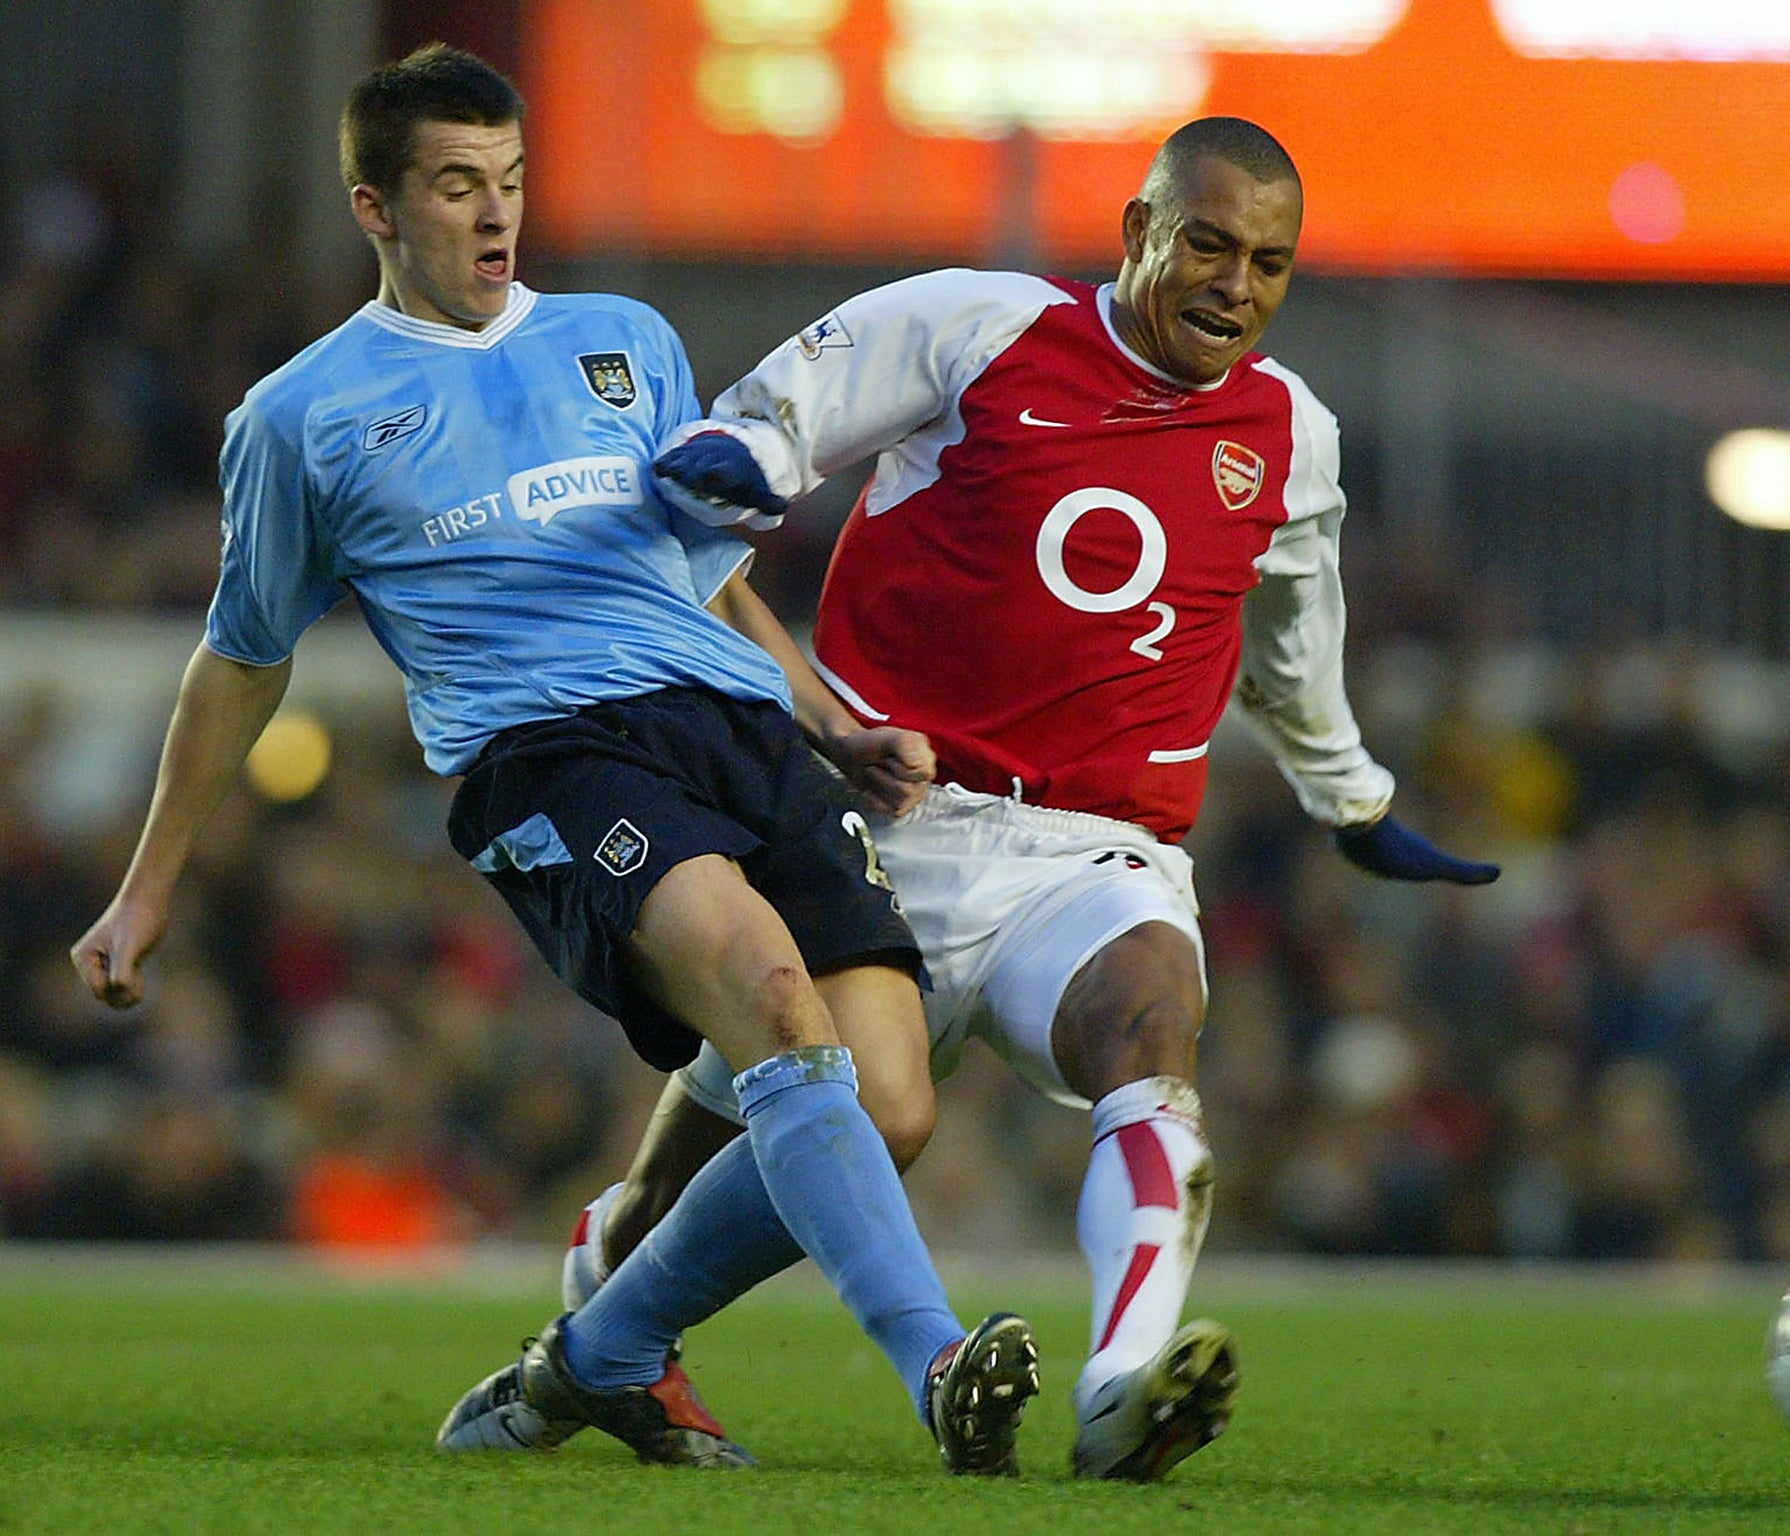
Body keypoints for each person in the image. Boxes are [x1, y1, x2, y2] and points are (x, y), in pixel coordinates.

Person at [449, 113, 1496, 1480]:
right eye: (1212, 246)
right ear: (1139, 233)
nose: (1238, 288)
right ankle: (606, 1314)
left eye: (1273, 265)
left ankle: (1122, 1384)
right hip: (884, 821)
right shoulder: (979, 326)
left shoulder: (1291, 434)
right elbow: (776, 422)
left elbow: (1291, 642)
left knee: (1152, 1026)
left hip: (1099, 851)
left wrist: (1350, 797)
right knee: (687, 1194)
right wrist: (748, 463)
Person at [67, 42, 1039, 1476]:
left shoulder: (626, 339)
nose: (495, 214)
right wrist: (147, 888)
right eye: (457, 185)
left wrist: (828, 718)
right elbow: (242, 656)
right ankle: (939, 1365)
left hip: (734, 730)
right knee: (775, 1001)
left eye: (510, 181)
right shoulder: (301, 416)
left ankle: (594, 1355)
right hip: (551, 758)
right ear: (375, 207)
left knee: (888, 1104)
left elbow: (706, 568)